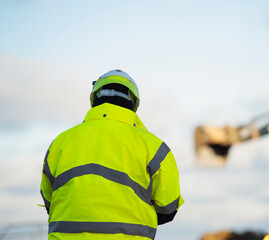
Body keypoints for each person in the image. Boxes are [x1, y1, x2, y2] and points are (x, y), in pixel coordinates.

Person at [40, 69, 184, 240]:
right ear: (134, 103)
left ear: (95, 99)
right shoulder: (154, 147)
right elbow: (168, 208)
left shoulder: (61, 142)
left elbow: (50, 200)